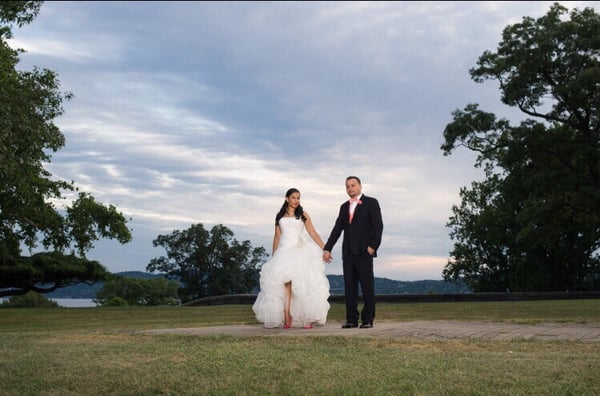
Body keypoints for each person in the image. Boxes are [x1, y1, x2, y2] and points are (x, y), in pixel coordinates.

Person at [252, 188, 330, 329]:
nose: (296, 200)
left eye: (298, 198)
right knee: (285, 284)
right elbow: (277, 236)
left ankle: (307, 317)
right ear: (287, 198)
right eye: (293, 197)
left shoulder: (303, 215)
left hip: (300, 251)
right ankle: (287, 316)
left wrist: (325, 249)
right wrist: (274, 256)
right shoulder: (279, 216)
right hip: (284, 252)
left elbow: (312, 232)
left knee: (302, 283)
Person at [323, 176, 383, 329]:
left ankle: (368, 319)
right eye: (348, 186)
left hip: (364, 251)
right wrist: (327, 248)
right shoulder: (343, 207)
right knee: (350, 288)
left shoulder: (371, 202)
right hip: (348, 252)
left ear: (360, 186)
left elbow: (378, 227)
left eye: (353, 185)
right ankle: (351, 319)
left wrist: (372, 247)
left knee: (367, 287)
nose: (351, 189)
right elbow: (337, 229)